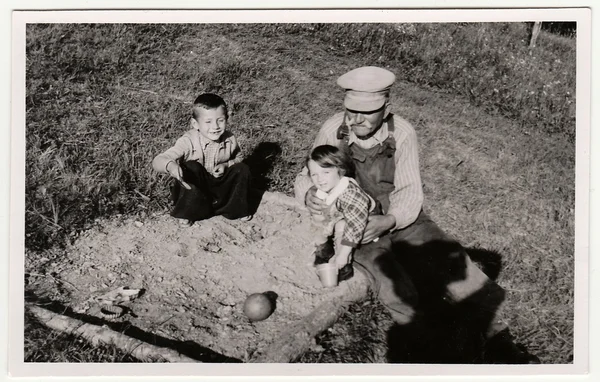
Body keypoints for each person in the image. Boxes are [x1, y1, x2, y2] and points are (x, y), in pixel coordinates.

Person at [294, 66, 540, 363]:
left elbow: (410, 192)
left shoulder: (403, 133)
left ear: (386, 109)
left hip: (399, 216)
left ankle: (497, 334)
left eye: (366, 112)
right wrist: (309, 192)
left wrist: (391, 220)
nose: (356, 119)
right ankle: (425, 338)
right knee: (386, 274)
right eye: (350, 111)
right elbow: (307, 174)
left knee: (446, 256)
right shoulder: (335, 130)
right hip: (357, 221)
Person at [152, 93, 252, 226]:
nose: (215, 126)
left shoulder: (230, 139)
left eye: (220, 120)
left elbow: (239, 158)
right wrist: (171, 166)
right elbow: (158, 160)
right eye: (208, 122)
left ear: (227, 119)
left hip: (219, 187)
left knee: (242, 169)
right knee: (191, 166)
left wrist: (226, 164)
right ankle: (189, 211)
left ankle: (233, 208)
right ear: (195, 123)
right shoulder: (188, 141)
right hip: (196, 191)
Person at [307, 144, 376, 283]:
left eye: (326, 172)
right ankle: (324, 248)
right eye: (314, 174)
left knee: (342, 226)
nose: (320, 179)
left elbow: (354, 227)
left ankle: (344, 265)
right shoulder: (327, 187)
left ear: (341, 171)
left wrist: (343, 255)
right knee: (318, 213)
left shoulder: (351, 195)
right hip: (341, 213)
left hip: (361, 222)